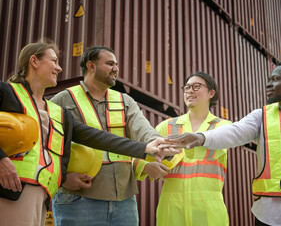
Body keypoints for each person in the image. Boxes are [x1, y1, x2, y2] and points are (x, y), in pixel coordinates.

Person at [0, 42, 176, 226]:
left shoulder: (56, 111)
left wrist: (148, 146)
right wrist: (1, 159)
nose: (60, 68)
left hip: (44, 192)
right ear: (34, 61)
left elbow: (97, 137)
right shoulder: (12, 92)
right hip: (21, 191)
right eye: (54, 61)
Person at [166, 62, 281, 225]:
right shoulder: (261, 116)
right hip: (269, 215)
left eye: (275, 79)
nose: (268, 84)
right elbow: (236, 132)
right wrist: (202, 137)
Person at [51, 46, 170, 226]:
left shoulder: (125, 100)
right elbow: (45, 145)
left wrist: (157, 143)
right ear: (91, 66)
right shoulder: (63, 100)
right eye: (109, 63)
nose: (116, 68)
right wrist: (63, 178)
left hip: (124, 200)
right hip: (77, 199)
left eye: (116, 64)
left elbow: (142, 128)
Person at [154, 72, 231, 226]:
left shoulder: (222, 127)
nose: (189, 91)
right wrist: (149, 164)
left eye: (196, 86)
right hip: (171, 207)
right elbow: (144, 154)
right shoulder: (166, 126)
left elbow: (209, 150)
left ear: (211, 93)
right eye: (187, 87)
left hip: (208, 207)